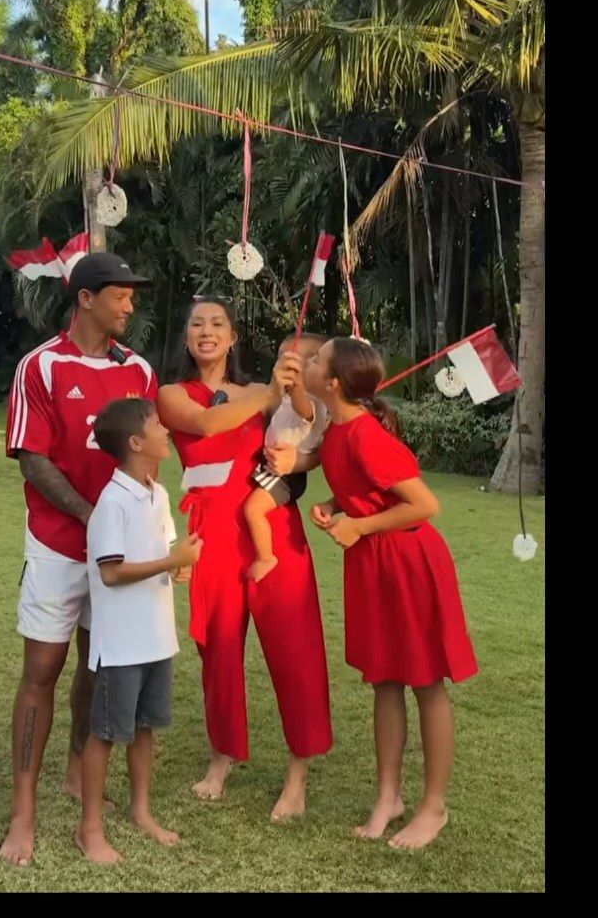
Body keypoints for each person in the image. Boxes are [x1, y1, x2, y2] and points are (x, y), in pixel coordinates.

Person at [0, 250, 155, 865]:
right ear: (86, 298)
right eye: (120, 293)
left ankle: (73, 771)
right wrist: (93, 519)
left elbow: (151, 448)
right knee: (42, 670)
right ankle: (23, 813)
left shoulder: (138, 371)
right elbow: (32, 457)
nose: (130, 303)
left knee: (97, 668)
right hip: (59, 545)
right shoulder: (39, 367)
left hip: (118, 554)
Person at [157, 297, 332, 821]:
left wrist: (295, 455)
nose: (206, 332)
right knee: (219, 651)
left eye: (218, 324)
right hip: (211, 530)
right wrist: (265, 393)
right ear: (186, 336)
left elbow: (312, 439)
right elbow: (208, 425)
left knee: (294, 648)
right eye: (196, 324)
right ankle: (221, 756)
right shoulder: (171, 393)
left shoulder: (268, 393)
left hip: (271, 527)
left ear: (233, 337)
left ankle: (297, 776)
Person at [305, 337, 477, 850]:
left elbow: (423, 504)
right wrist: (340, 504)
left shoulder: (365, 435)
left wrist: (360, 525)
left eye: (317, 360)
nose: (309, 362)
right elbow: (370, 485)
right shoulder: (340, 429)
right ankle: (389, 798)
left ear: (333, 382)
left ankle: (433, 806)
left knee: (425, 682)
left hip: (407, 562)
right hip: (375, 562)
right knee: (383, 679)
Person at [76, 398, 201, 864]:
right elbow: (111, 573)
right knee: (105, 733)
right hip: (121, 644)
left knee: (146, 728)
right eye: (155, 424)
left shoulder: (156, 493)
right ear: (134, 443)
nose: (164, 429)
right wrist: (173, 562)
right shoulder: (111, 503)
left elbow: (163, 549)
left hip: (155, 638)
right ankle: (89, 829)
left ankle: (140, 811)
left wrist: (175, 567)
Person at [242, 334, 329, 583]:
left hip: (286, 476)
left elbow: (303, 409)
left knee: (253, 509)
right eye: (281, 358)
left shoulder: (312, 403)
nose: (285, 365)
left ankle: (266, 557)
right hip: (273, 466)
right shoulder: (283, 397)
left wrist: (297, 384)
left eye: (295, 362)